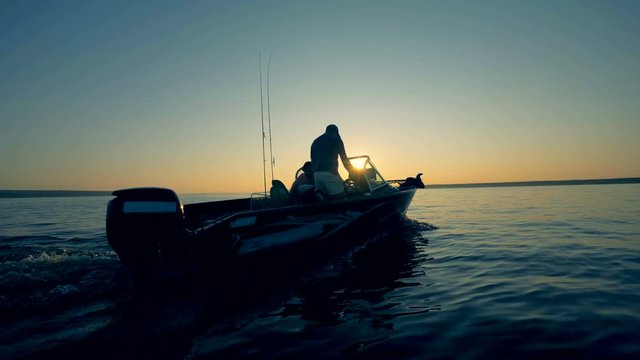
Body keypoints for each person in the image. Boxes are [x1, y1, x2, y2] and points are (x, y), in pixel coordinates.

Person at [310, 124, 354, 197]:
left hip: (317, 175)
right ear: (337, 132)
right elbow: (344, 159)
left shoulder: (315, 141)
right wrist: (352, 171)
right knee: (341, 199)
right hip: (330, 175)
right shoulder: (337, 139)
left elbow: (312, 159)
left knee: (326, 201)